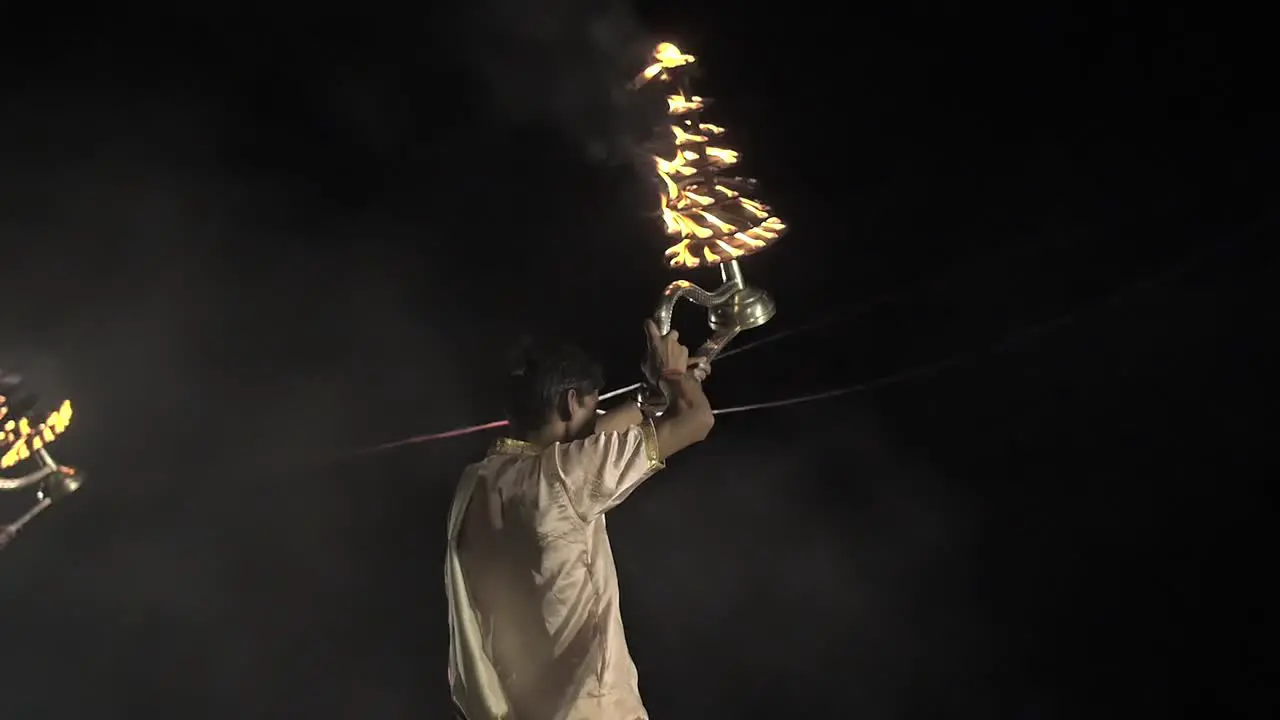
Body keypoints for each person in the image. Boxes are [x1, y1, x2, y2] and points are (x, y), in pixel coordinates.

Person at [445, 320, 716, 720]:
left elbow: (586, 443)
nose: (597, 418)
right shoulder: (563, 478)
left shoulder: (478, 483)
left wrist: (651, 397)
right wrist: (674, 376)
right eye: (593, 405)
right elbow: (697, 420)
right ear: (570, 402)